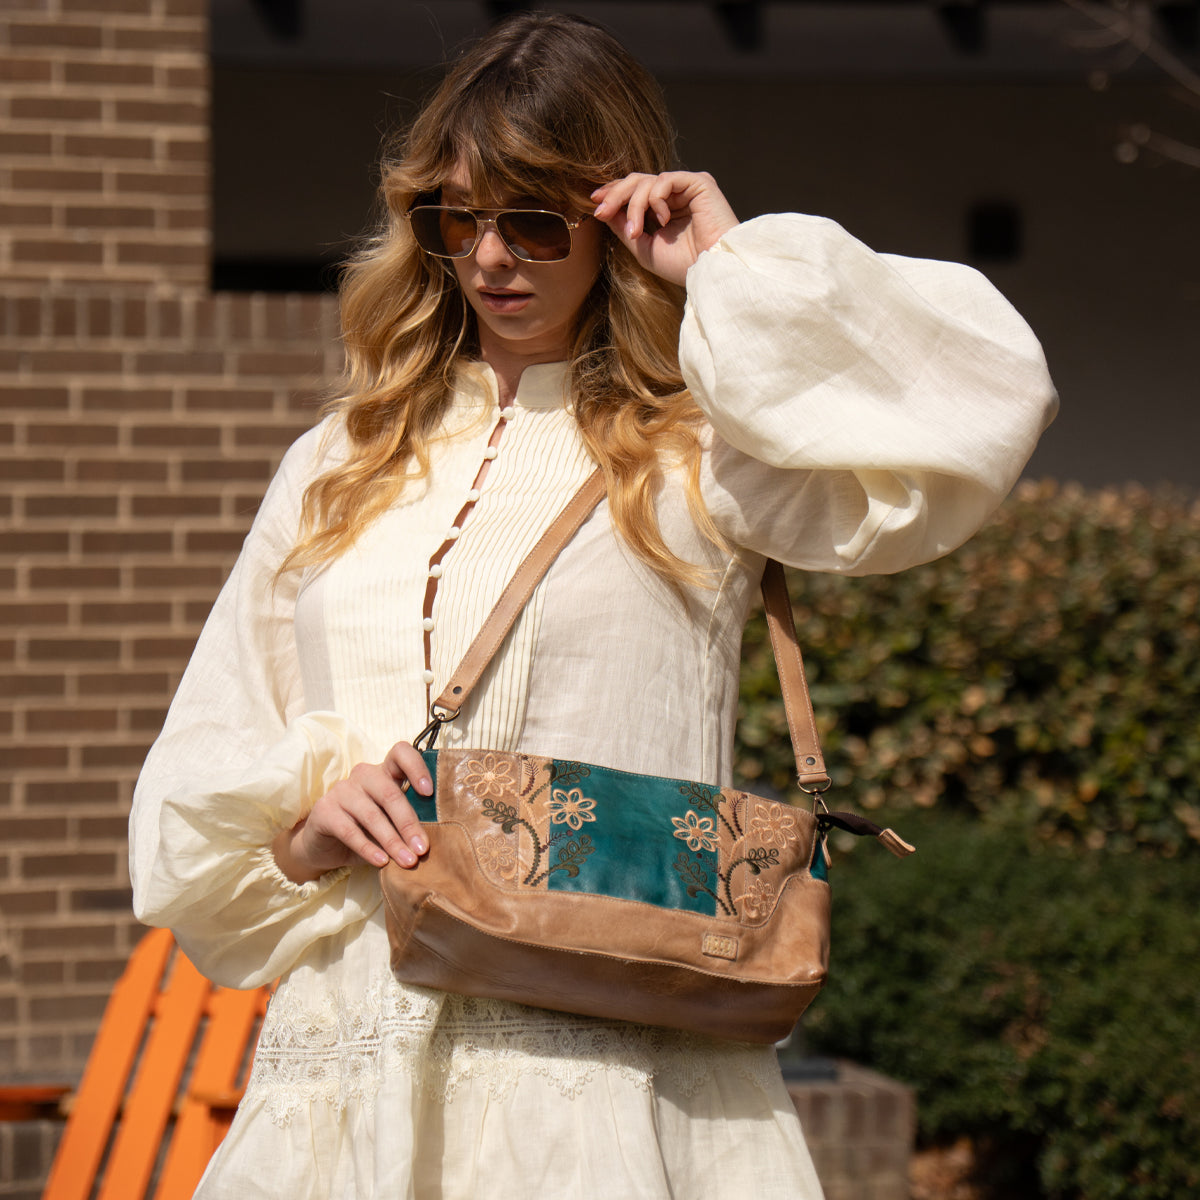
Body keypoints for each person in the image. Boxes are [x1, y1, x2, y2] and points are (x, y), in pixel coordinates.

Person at [129, 11, 1057, 1199]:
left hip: (604, 1079)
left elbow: (981, 406)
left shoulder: (707, 455)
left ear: (615, 221)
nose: (491, 258)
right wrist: (307, 829)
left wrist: (731, 268)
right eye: (456, 218)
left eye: (534, 219)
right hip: (346, 1073)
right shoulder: (338, 459)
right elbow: (211, 744)